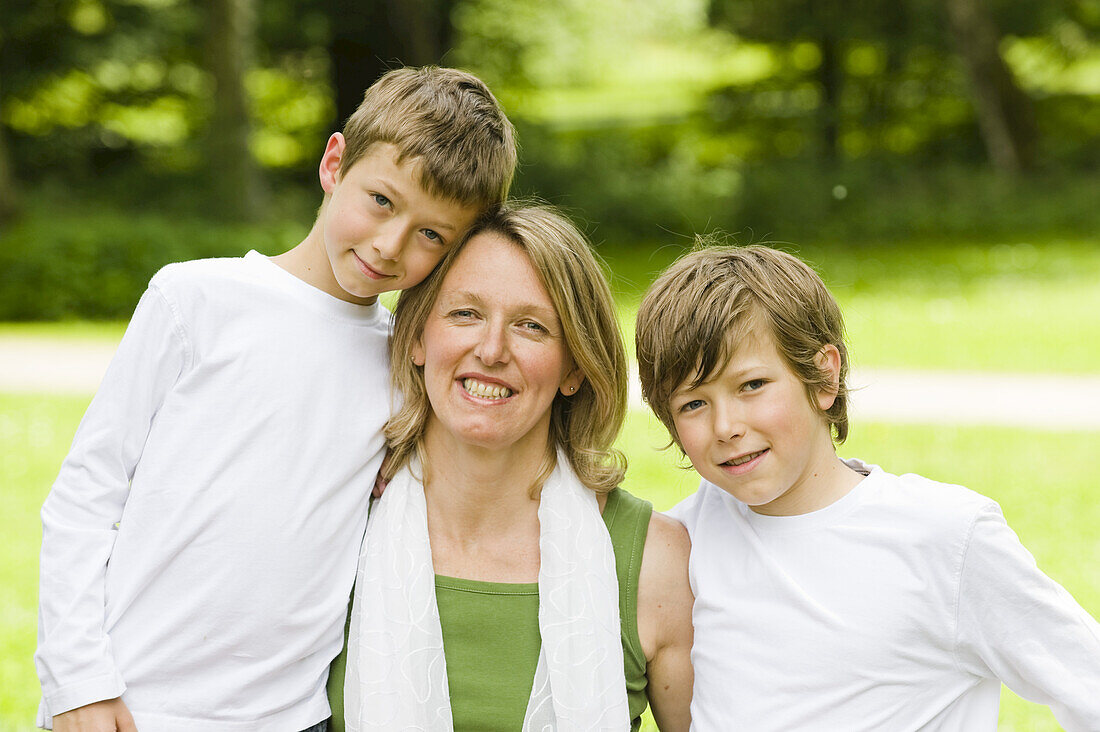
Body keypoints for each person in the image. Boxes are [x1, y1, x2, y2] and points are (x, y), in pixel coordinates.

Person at [35, 66, 517, 731]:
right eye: (381, 201)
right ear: (334, 163)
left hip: (289, 716)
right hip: (132, 704)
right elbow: (84, 498)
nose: (390, 244)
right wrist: (78, 680)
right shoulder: (195, 301)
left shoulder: (409, 364)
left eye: (432, 234)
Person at [634, 243, 1100, 730]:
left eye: (751, 385)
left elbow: (1087, 682)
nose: (725, 426)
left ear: (823, 377)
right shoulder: (677, 546)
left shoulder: (945, 537)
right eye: (693, 404)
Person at [342, 204, 694, 731]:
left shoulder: (652, 565)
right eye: (465, 314)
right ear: (417, 337)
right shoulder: (340, 526)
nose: (491, 350)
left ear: (575, 366)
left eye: (531, 326)